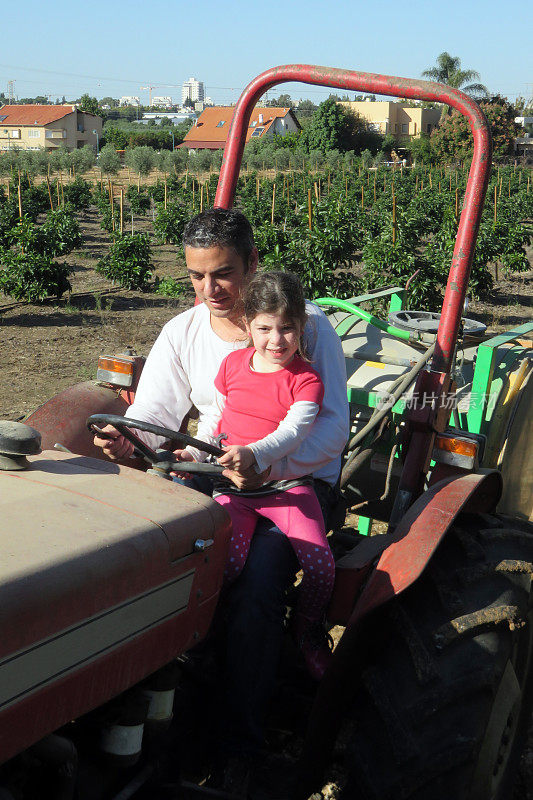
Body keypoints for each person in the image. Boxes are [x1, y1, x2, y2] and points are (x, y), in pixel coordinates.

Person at [93, 208, 349, 775]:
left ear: (253, 265)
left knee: (258, 583)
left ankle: (240, 745)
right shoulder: (183, 332)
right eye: (196, 276)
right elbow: (155, 410)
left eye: (224, 275)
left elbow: (332, 430)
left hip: (293, 482)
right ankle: (158, 696)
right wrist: (126, 435)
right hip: (218, 472)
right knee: (162, 554)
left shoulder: (309, 332)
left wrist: (265, 462)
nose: (209, 290)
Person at [184, 270, 336, 680]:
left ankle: (305, 631)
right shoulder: (232, 365)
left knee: (321, 567)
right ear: (247, 324)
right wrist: (197, 447)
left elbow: (294, 432)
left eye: (287, 329)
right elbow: (215, 416)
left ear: (302, 328)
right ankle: (203, 644)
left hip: (286, 489)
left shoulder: (306, 379)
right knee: (226, 567)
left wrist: (254, 454)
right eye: (265, 328)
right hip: (233, 487)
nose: (276, 340)